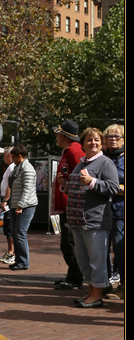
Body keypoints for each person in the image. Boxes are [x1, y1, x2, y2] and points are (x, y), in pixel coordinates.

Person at [65, 127, 120, 308]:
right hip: (77, 220)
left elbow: (113, 187)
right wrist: (65, 185)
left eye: (96, 140)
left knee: (96, 260)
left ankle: (97, 295)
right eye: (89, 140)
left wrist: (93, 182)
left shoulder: (105, 163)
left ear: (102, 144)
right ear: (82, 144)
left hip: (95, 220)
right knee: (83, 260)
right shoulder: (81, 163)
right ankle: (90, 291)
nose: (93, 143)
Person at [52, 120, 84, 290]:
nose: (56, 137)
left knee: (69, 242)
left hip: (71, 204)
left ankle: (75, 277)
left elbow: (82, 174)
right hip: (67, 204)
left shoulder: (74, 151)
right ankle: (73, 275)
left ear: (63, 136)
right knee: (67, 242)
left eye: (58, 134)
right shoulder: (69, 151)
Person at [7, 144, 38, 271]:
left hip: (26, 206)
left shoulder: (28, 169)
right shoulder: (18, 168)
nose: (12, 159)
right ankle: (19, 260)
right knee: (15, 233)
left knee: (20, 233)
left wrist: (20, 206)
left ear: (20, 156)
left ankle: (24, 262)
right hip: (16, 205)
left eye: (13, 157)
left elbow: (27, 189)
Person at [103, 124, 124, 299]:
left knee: (119, 247)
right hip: (100, 210)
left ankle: (123, 285)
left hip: (120, 211)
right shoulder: (101, 158)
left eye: (117, 136)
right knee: (101, 248)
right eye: (109, 136)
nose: (113, 139)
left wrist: (112, 187)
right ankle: (105, 284)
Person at [0, 147, 16, 264]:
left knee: (9, 227)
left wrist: (5, 200)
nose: (3, 157)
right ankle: (10, 251)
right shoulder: (10, 167)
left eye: (4, 155)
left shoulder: (12, 167)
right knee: (7, 227)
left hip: (9, 201)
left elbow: (10, 184)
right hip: (7, 200)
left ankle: (11, 252)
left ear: (10, 155)